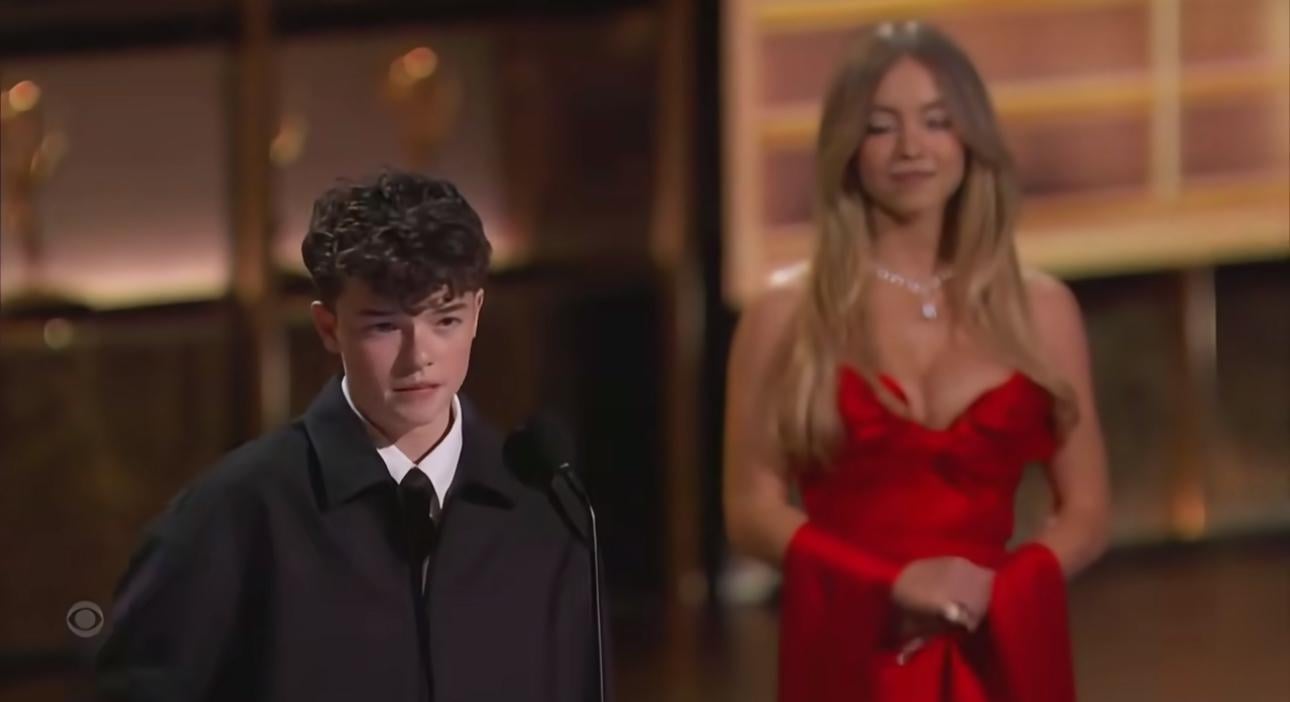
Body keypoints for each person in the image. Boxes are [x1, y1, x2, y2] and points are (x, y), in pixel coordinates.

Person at [96, 171, 601, 701]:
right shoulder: (236, 513)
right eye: (384, 326)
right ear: (329, 328)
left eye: (445, 321)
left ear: (476, 313)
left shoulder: (544, 511)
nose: (419, 357)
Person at [723, 21, 1110, 702]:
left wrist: (1004, 587)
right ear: (847, 147)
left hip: (998, 647)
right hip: (854, 650)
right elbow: (750, 509)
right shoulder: (785, 314)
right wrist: (888, 586)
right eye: (881, 127)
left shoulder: (1042, 309)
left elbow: (1087, 509)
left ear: (971, 138)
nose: (911, 148)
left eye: (936, 121)